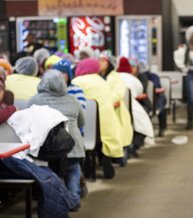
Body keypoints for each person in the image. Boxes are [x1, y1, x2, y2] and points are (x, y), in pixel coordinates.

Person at [27, 70, 85, 210]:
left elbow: (28, 123)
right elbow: (81, 122)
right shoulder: (73, 100)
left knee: (51, 171)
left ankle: (57, 200)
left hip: (47, 148)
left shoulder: (35, 100)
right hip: (73, 145)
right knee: (73, 169)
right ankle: (74, 199)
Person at [72, 58, 123, 179]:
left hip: (88, 125)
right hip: (106, 124)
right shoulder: (102, 81)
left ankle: (84, 167)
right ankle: (105, 159)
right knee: (100, 141)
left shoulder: (77, 81)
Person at [99, 52, 134, 163]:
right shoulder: (96, 77)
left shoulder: (116, 77)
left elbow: (118, 93)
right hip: (102, 110)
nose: (100, 63)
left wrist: (107, 102)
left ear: (109, 63)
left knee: (117, 134)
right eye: (99, 60)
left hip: (115, 110)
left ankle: (121, 155)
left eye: (103, 61)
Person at [117, 57, 155, 156]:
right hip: (127, 105)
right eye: (131, 67)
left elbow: (141, 92)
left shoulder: (141, 78)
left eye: (134, 66)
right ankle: (130, 146)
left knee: (141, 119)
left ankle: (133, 145)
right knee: (140, 122)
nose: (133, 69)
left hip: (138, 104)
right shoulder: (130, 79)